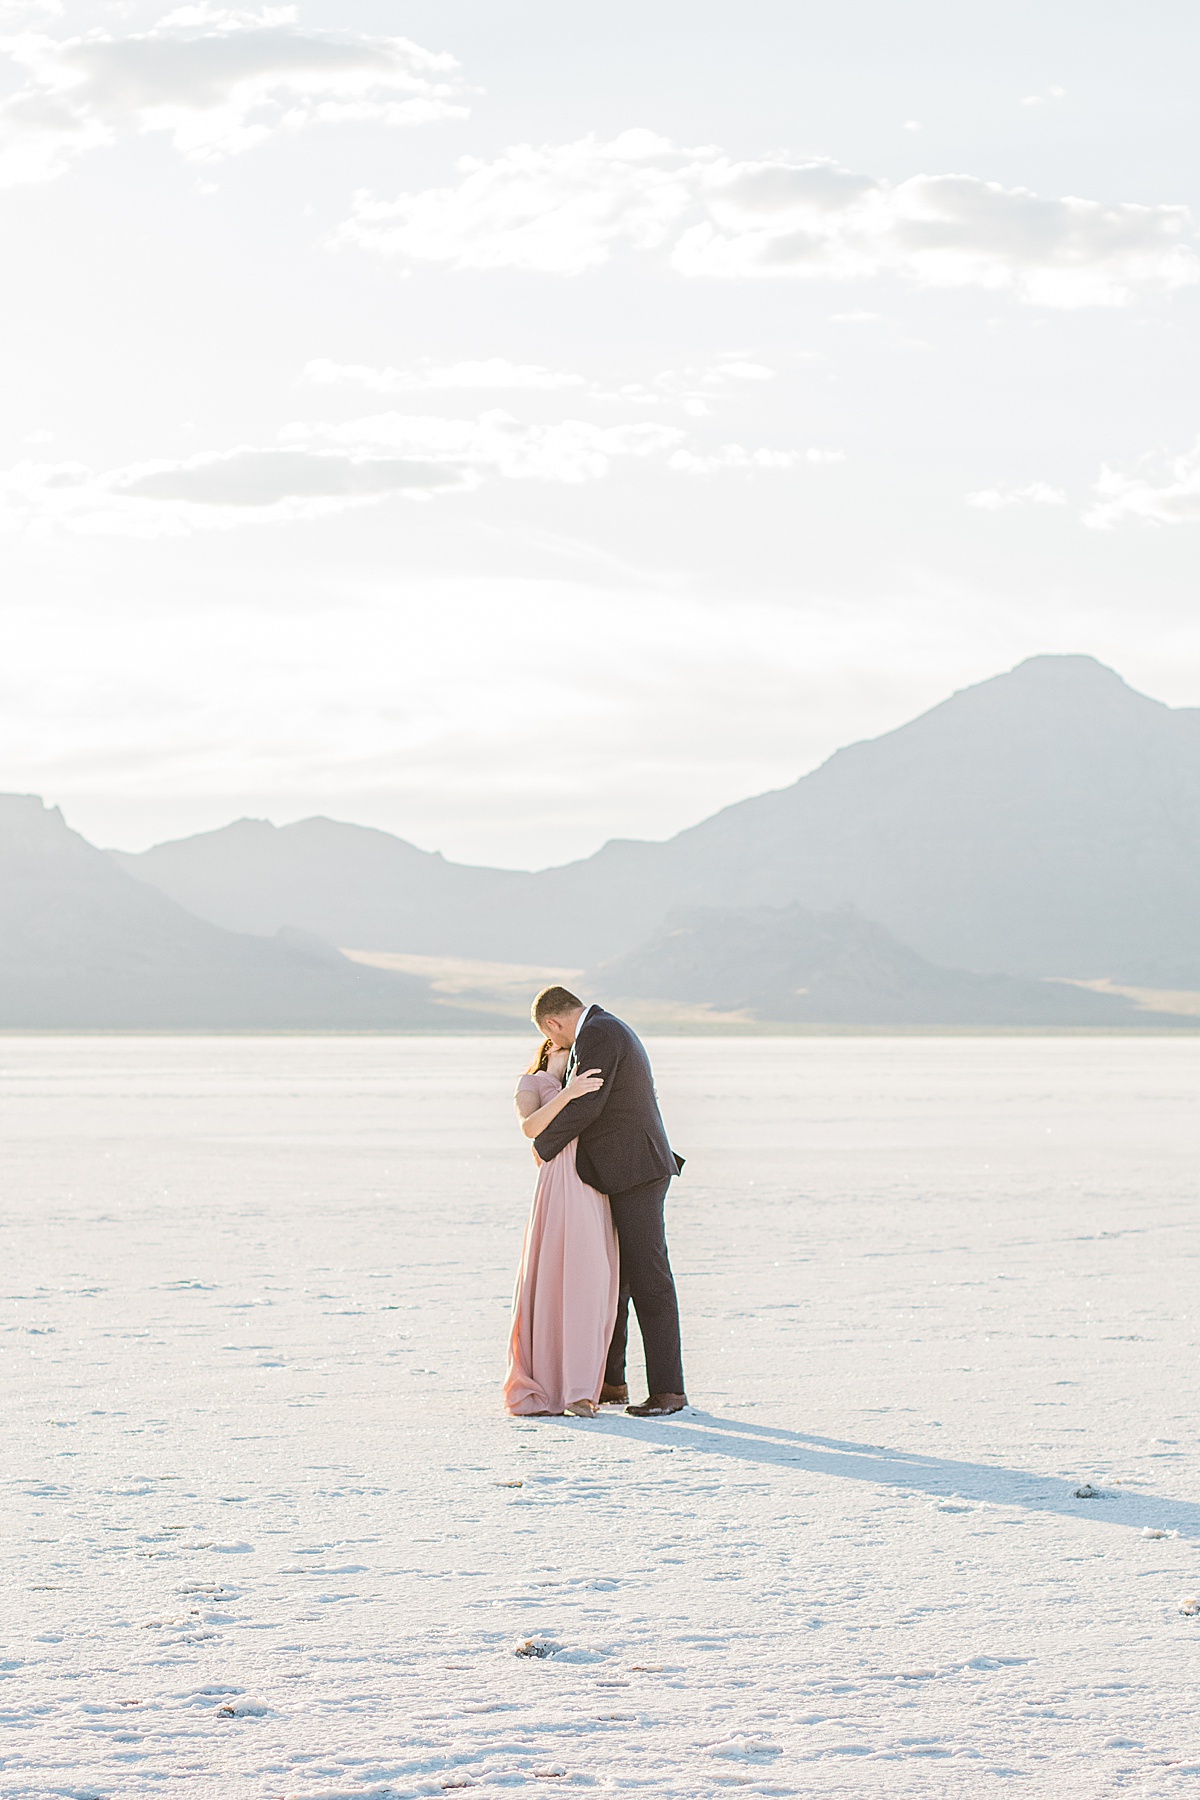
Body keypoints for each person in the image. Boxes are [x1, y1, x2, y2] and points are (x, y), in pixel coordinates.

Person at [528, 985, 687, 1418]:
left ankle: (669, 1391)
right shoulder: (605, 1027)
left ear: (552, 1024)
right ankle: (612, 1381)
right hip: (623, 1170)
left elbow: (589, 1105)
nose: (553, 1046)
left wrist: (544, 1147)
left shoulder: (598, 1033)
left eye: (552, 1038)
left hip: (636, 1171)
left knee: (648, 1277)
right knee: (617, 1279)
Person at [504, 1037, 619, 1418]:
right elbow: (530, 1128)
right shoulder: (531, 1082)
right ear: (552, 1043)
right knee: (556, 1275)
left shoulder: (583, 1079)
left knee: (593, 1277)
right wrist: (567, 1094)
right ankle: (559, 1386)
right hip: (558, 1176)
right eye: (569, 1048)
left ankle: (582, 1386)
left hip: (590, 1178)